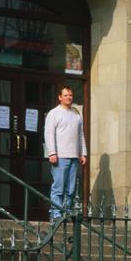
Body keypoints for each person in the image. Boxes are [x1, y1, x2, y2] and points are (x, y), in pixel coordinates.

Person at [43, 83, 84, 220]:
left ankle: (66, 212)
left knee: (71, 189)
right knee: (58, 187)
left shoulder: (76, 114)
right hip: (60, 156)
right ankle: (56, 214)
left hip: (74, 156)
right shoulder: (54, 113)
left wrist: (82, 153)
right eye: (65, 95)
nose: (69, 97)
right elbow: (49, 134)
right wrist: (52, 153)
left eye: (70, 95)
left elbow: (80, 135)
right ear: (60, 97)